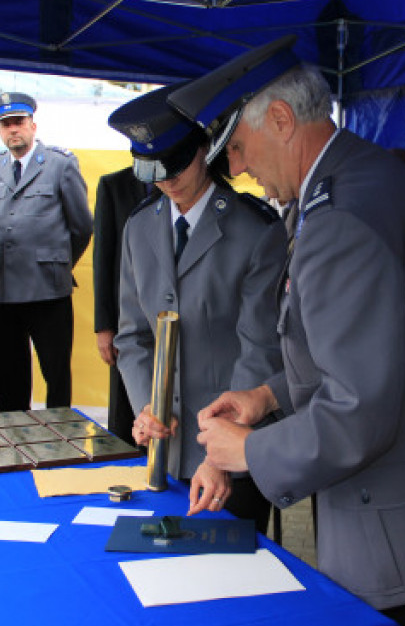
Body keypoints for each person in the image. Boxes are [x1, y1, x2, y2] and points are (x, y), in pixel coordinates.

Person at [179, 36, 405, 626]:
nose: (243, 169)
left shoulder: (341, 219)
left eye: (242, 150)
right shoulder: (363, 175)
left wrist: (250, 451)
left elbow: (358, 410)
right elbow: (381, 346)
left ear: (281, 119)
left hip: (400, 521)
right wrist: (267, 396)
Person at [110, 84, 285, 532]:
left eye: (177, 164)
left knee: (232, 579)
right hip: (163, 447)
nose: (167, 179)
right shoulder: (138, 229)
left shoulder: (255, 231)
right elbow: (133, 336)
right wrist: (147, 405)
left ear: (204, 149)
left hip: (233, 453)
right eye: (155, 169)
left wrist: (221, 454)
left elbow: (260, 350)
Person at [0, 92, 93, 413]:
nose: (12, 130)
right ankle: (14, 437)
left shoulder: (60, 165)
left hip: (48, 288)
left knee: (56, 373)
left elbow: (82, 227)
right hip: (4, 290)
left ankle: (59, 439)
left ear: (33, 124)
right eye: (5, 125)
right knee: (9, 376)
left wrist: (57, 261)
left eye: (18, 122)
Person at [92, 166, 148, 445]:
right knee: (125, 407)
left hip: (172, 318)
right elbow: (103, 257)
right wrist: (104, 326)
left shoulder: (191, 179)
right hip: (127, 320)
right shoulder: (114, 185)